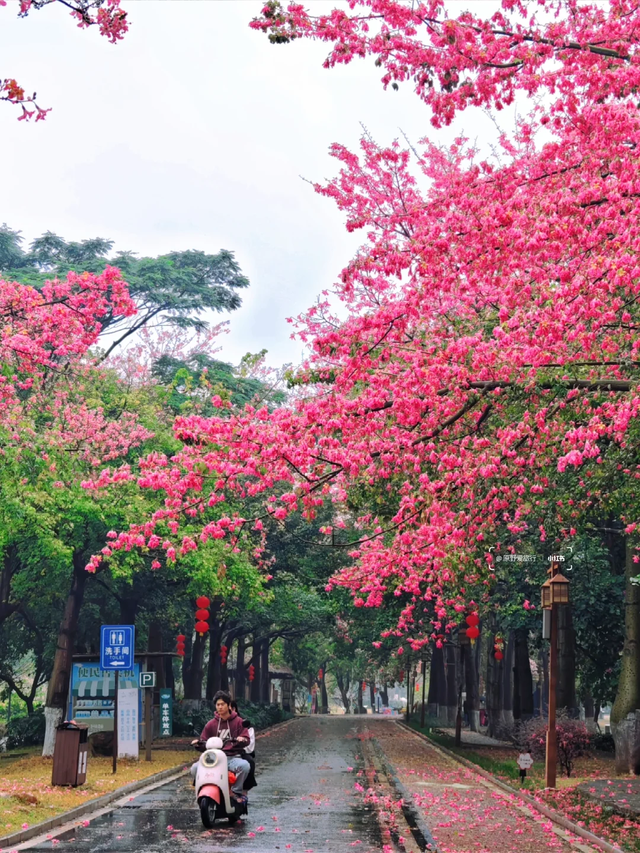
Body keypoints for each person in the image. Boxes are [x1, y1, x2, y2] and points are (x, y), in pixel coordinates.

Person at [191, 691, 251, 805]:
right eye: (218, 705)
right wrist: (198, 743)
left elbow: (246, 738)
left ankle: (235, 792)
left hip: (231, 757)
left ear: (229, 705)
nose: (220, 707)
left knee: (245, 766)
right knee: (194, 768)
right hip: (213, 759)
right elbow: (203, 740)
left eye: (222, 704)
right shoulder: (211, 724)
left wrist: (241, 739)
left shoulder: (238, 722)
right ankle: (202, 789)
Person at [230, 700, 257, 791]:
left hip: (240, 753)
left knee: (249, 763)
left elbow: (249, 745)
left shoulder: (244, 724)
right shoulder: (216, 723)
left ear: (233, 709)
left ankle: (243, 791)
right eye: (218, 705)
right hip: (223, 753)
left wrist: (240, 745)